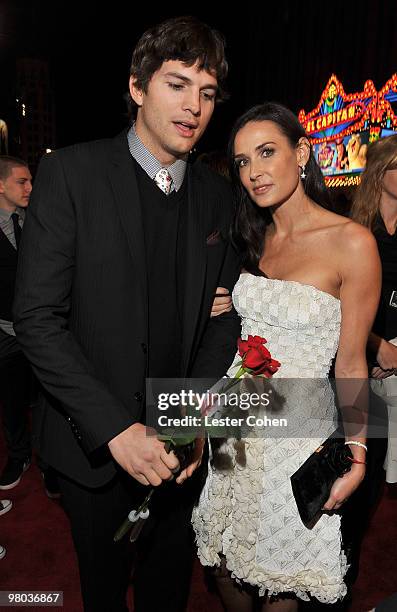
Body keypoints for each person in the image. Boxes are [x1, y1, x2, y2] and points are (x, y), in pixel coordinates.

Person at [13, 16, 241, 612]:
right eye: (177, 84)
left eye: (208, 92)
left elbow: (222, 320)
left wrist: (188, 422)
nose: (194, 106)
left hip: (179, 444)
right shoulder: (71, 174)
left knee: (169, 589)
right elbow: (37, 318)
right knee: (105, 592)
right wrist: (116, 430)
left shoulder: (218, 197)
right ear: (138, 87)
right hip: (94, 447)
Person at [192, 102, 381, 611]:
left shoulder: (352, 243)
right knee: (227, 563)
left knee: (280, 576)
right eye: (242, 162)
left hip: (297, 435)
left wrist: (358, 453)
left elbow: (351, 362)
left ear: (302, 152)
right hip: (233, 421)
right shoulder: (252, 237)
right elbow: (245, 320)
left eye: (267, 152)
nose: (254, 172)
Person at [351, 134, 397, 484]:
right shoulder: (353, 230)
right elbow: (334, 304)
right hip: (354, 359)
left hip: (394, 361)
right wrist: (377, 345)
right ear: (380, 172)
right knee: (355, 460)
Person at [0, 156, 32, 490]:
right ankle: (18, 454)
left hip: (40, 328)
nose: (29, 188)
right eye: (22, 182)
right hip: (4, 330)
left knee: (51, 397)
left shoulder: (36, 220)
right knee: (11, 401)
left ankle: (53, 467)